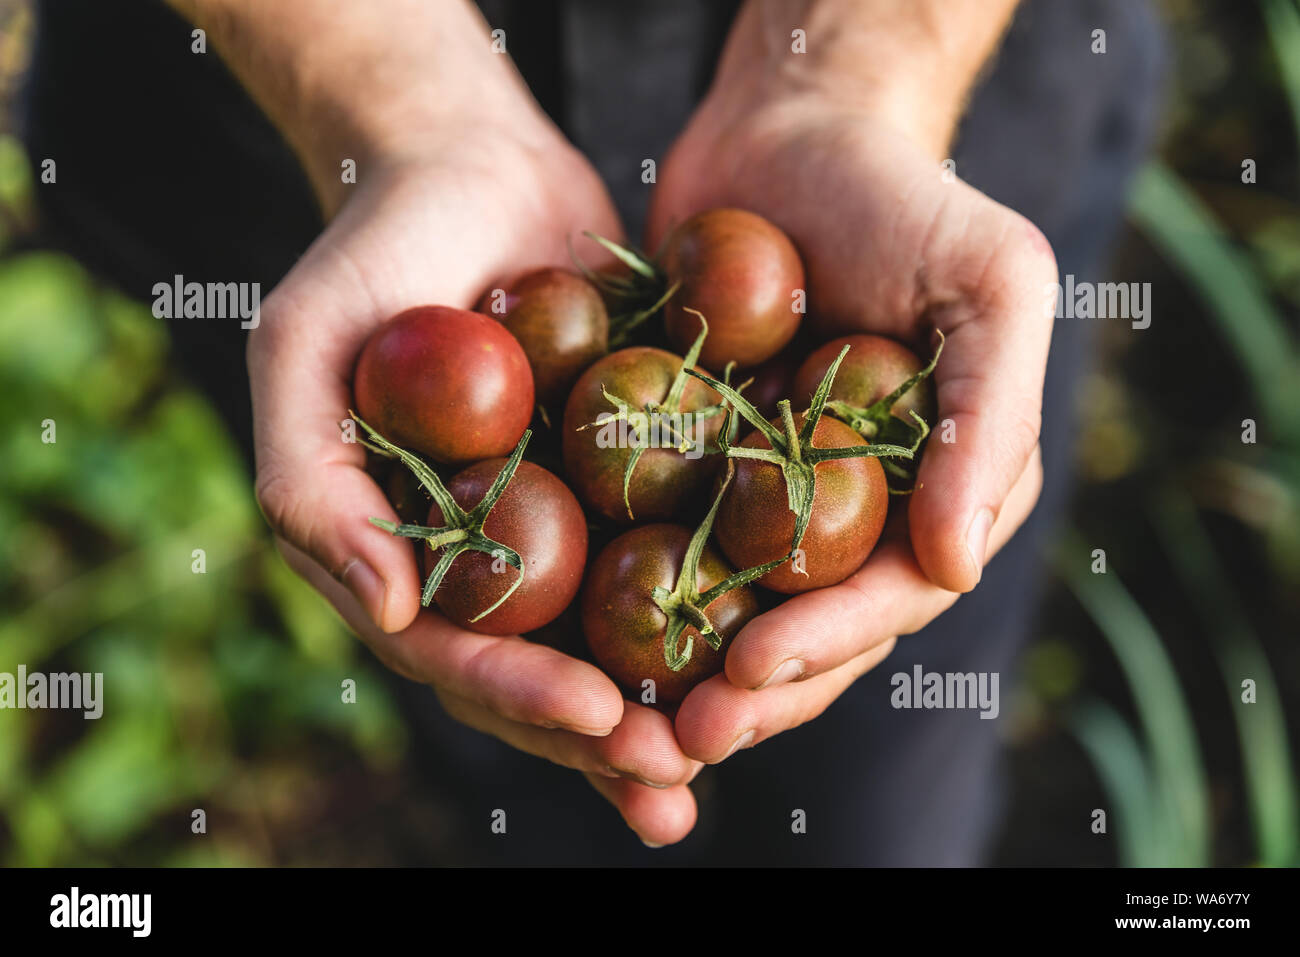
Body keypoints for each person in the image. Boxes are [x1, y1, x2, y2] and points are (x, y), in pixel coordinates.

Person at [24, 0, 1163, 863]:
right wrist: (391, 94)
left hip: (935, 113)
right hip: (280, 120)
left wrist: (859, 70)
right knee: (513, 759)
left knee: (886, 801)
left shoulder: (764, 412)